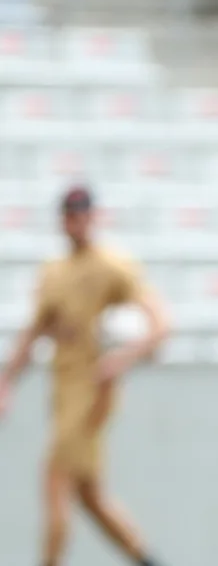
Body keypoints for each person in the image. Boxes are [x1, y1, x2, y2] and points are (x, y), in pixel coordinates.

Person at [0, 186, 170, 566]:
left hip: (92, 395)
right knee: (89, 495)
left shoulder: (113, 267)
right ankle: (149, 559)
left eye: (82, 213)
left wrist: (120, 359)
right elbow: (35, 331)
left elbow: (160, 325)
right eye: (69, 214)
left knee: (54, 477)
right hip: (62, 393)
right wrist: (6, 381)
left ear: (94, 217)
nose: (76, 221)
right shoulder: (54, 272)